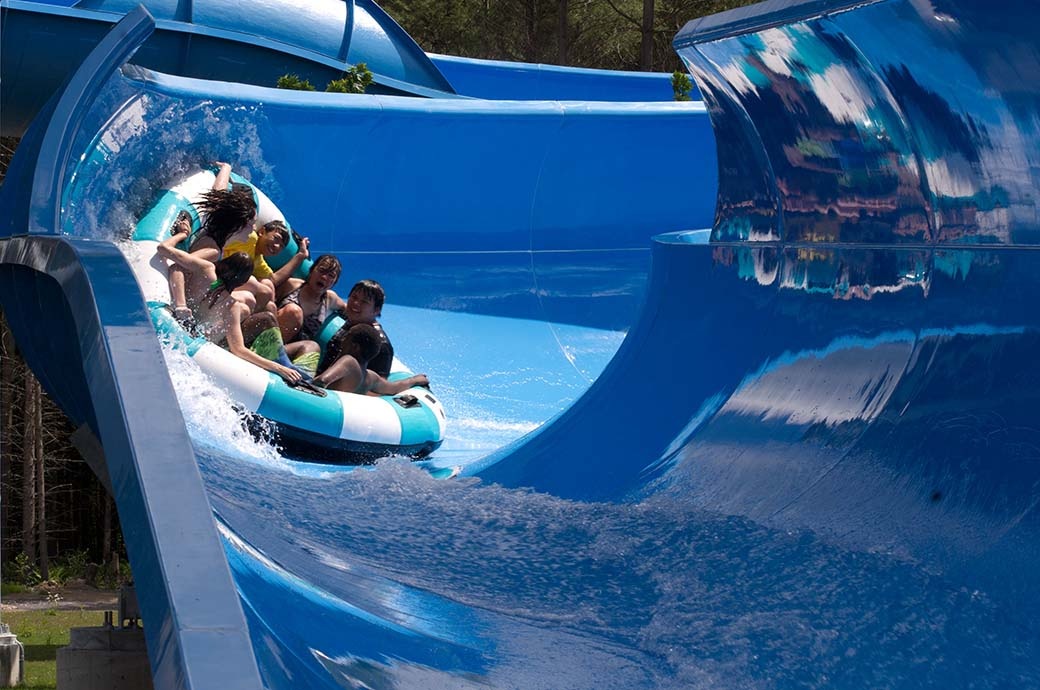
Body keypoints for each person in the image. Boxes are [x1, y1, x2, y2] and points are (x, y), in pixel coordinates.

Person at [158, 216, 319, 385]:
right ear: (242, 283)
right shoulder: (232, 306)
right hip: (196, 340)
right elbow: (239, 350)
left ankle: (180, 306)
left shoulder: (207, 269)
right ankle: (282, 361)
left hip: (178, 318)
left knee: (179, 267)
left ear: (224, 263)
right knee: (253, 309)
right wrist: (278, 369)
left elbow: (164, 249)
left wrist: (183, 234)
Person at [314, 324, 427, 395]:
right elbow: (393, 388)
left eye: (346, 338)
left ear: (355, 347)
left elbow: (322, 381)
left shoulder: (349, 362)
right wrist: (414, 380)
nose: (342, 341)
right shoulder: (371, 377)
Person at [320, 279, 394, 378]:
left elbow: (376, 387)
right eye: (354, 297)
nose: (355, 303)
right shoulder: (352, 321)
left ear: (376, 310)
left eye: (364, 302)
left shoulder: (381, 345)